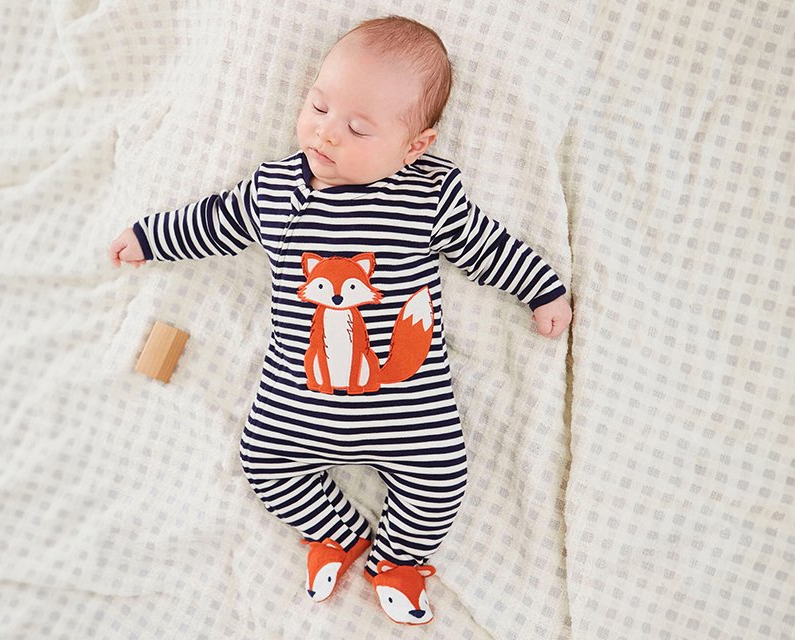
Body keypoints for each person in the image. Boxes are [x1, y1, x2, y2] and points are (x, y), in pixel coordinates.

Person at [108, 15, 572, 626]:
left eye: (357, 128)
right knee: (262, 464)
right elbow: (212, 222)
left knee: (443, 475)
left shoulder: (426, 196)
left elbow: (485, 246)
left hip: (408, 408)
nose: (326, 134)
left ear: (414, 147)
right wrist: (150, 237)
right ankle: (340, 532)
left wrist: (542, 289)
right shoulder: (276, 190)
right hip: (296, 406)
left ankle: (401, 559)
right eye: (318, 107)